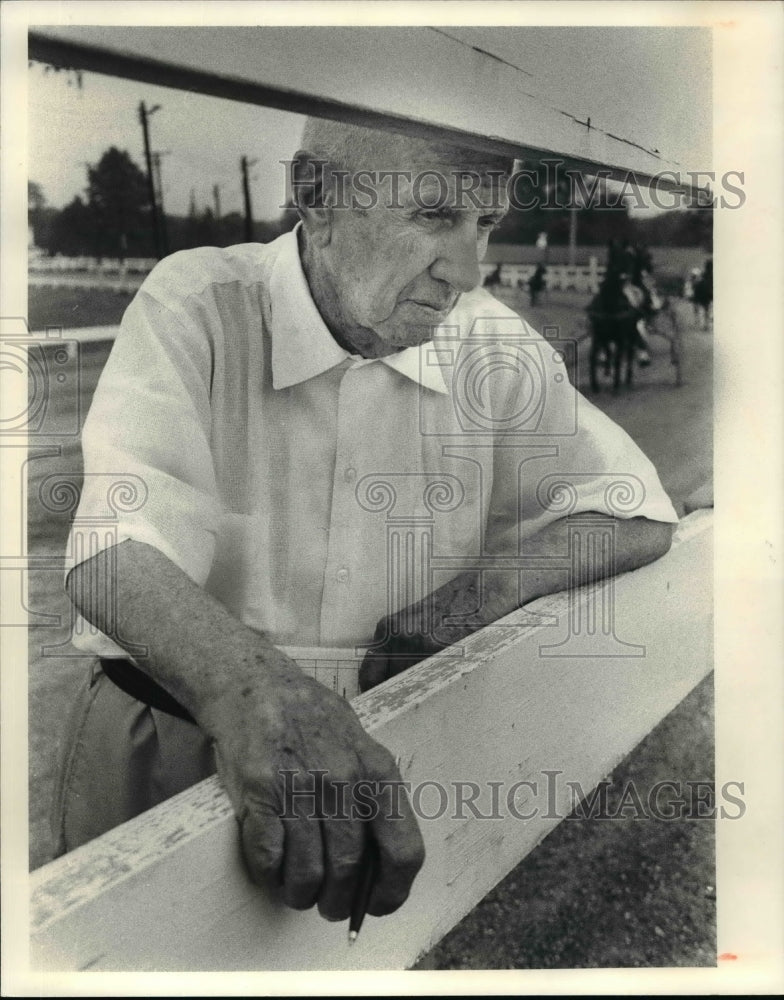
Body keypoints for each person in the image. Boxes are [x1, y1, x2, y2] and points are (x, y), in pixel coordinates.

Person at [56, 117, 679, 923]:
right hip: (168, 744)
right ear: (316, 195)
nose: (466, 268)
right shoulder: (199, 301)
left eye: (485, 223)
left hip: (377, 760)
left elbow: (636, 511)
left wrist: (475, 597)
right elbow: (112, 550)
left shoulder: (493, 343)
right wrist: (261, 695)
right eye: (433, 215)